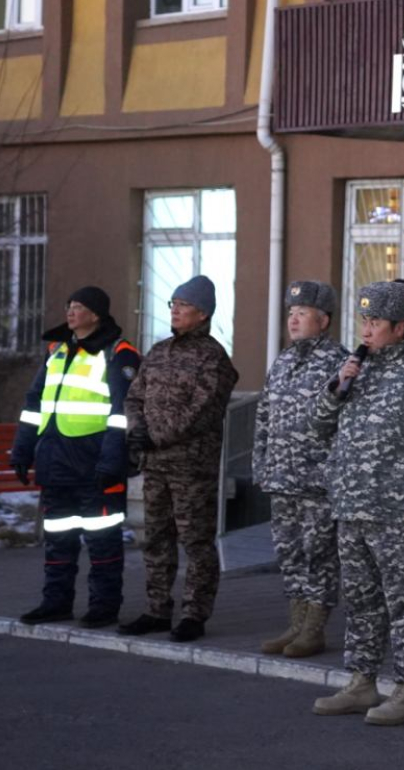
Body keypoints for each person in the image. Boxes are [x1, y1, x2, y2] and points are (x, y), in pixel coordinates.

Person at [310, 281, 404, 726]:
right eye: (364, 321)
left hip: (397, 512)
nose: (366, 330)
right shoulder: (357, 369)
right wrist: (338, 386)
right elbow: (318, 427)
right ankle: (362, 680)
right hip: (352, 505)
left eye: (375, 322)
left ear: (400, 326)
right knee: (360, 599)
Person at [11, 287, 140, 628]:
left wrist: (112, 461)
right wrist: (22, 450)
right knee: (58, 540)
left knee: (102, 541)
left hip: (95, 465)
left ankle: (104, 607)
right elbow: (34, 404)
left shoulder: (118, 353)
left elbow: (123, 413)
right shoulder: (57, 351)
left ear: (95, 315)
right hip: (55, 462)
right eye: (69, 305)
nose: (70, 311)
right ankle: (56, 603)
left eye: (79, 307)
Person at [120, 275, 239, 642]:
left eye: (183, 305)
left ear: (202, 313)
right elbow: (134, 397)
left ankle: (193, 614)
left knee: (196, 542)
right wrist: (136, 430)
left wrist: (153, 436)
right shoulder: (158, 352)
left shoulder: (213, 359)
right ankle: (157, 610)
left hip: (192, 468)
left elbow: (201, 412)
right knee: (156, 539)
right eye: (173, 304)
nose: (174, 310)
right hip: (155, 465)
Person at [253, 281, 349, 658]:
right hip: (281, 477)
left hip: (317, 481)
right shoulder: (284, 361)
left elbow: (345, 424)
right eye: (290, 313)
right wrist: (261, 464)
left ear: (323, 320)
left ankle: (314, 629)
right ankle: (295, 623)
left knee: (318, 555)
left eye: (302, 313)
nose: (292, 320)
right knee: (289, 552)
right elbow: (264, 416)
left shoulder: (340, 362)